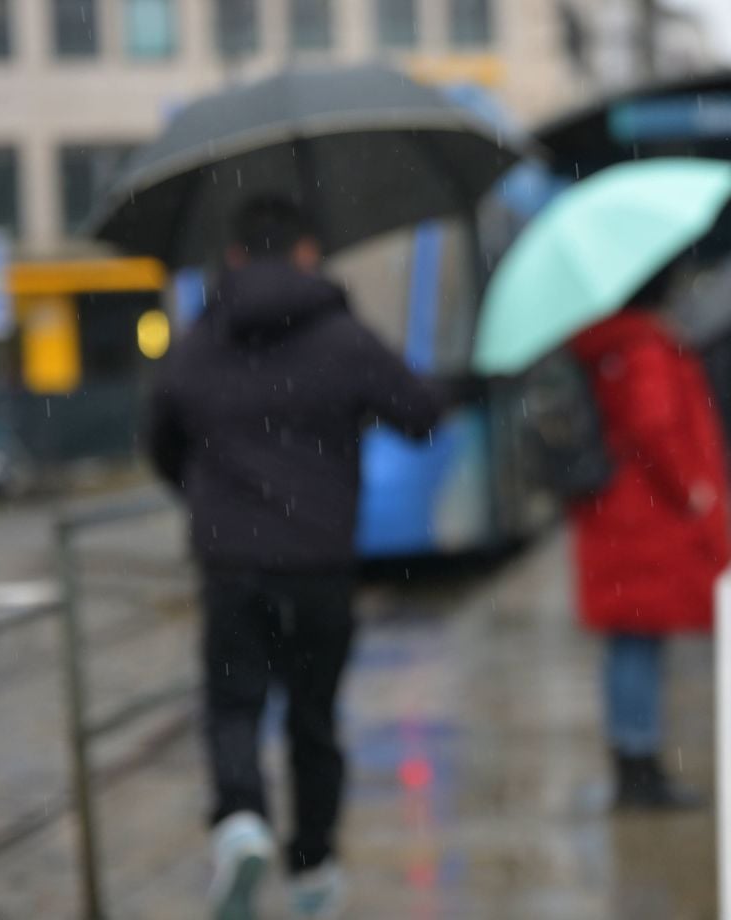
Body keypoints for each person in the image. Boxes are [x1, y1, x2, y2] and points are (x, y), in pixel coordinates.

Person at [145, 196, 482, 919]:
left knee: (233, 706)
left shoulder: (200, 338)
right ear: (307, 251)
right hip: (319, 562)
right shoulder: (343, 336)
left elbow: (161, 434)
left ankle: (240, 822)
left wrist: (207, 495)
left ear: (233, 256)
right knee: (313, 720)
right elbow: (419, 415)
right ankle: (313, 869)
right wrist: (461, 383)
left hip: (231, 560)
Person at [568, 268, 731, 810]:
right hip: (645, 514)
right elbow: (654, 425)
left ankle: (633, 762)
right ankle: (640, 770)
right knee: (638, 639)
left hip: (618, 512)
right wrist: (690, 488)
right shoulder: (643, 346)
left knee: (629, 638)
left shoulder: (609, 343)